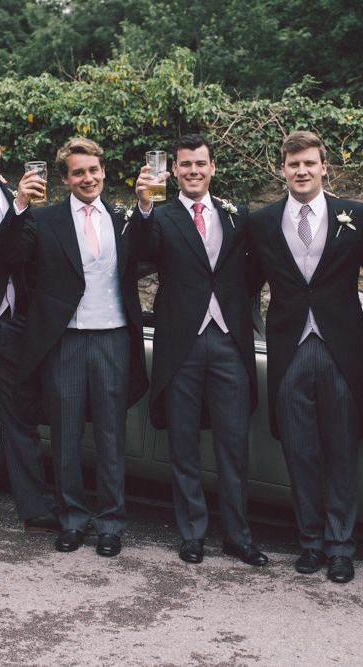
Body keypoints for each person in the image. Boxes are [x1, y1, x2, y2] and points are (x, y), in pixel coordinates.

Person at [249, 131, 363, 583]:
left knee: (341, 451)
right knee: (300, 452)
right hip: (289, 348)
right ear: (282, 170)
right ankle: (310, 542)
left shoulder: (354, 214)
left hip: (340, 348)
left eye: (310, 163)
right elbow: (242, 283)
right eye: (294, 165)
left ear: (324, 167)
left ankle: (341, 547)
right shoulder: (262, 221)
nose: (302, 171)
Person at [0, 137, 148, 557]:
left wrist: (146, 208)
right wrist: (20, 208)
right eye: (78, 172)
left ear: (104, 172)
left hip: (114, 337)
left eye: (94, 170)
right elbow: (13, 258)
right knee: (65, 436)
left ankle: (111, 524)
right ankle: (73, 519)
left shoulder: (122, 218)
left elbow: (151, 252)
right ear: (65, 179)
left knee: (110, 435)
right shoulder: (44, 221)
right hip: (64, 338)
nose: (88, 178)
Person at [135, 134, 267, 567]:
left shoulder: (237, 216)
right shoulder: (161, 215)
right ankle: (192, 533)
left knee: (234, 445)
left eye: (201, 164)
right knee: (184, 444)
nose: (193, 171)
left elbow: (251, 275)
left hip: (228, 341)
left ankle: (238, 535)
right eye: (185, 164)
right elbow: (142, 252)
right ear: (173, 170)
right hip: (181, 345)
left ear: (213, 168)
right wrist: (143, 208)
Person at [0, 115, 58, 550]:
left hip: (12, 327)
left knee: (19, 419)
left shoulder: (9, 193)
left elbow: (20, 256)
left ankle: (36, 510)